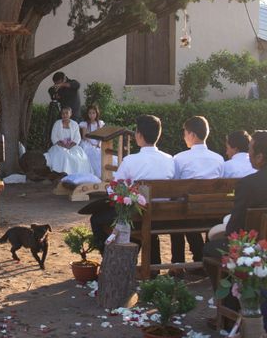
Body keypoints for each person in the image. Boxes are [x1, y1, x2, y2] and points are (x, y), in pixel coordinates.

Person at [89, 115, 175, 265]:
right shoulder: (170, 159)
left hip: (138, 216)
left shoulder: (130, 160)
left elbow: (115, 189)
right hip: (164, 216)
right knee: (140, 217)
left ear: (139, 135)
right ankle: (152, 265)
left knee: (96, 219)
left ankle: (109, 260)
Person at [202, 131, 267, 319]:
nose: (249, 155)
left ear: (260, 157)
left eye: (250, 151)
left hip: (252, 247)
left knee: (211, 249)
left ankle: (229, 311)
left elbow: (234, 230)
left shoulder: (249, 184)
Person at [170, 116, 224, 272]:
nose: (184, 137)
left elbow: (174, 185)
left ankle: (177, 264)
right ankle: (203, 259)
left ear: (192, 135)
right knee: (192, 214)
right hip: (213, 212)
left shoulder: (179, 158)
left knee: (178, 216)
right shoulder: (219, 159)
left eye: (185, 133)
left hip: (186, 213)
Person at [43, 106, 92, 176]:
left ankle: (76, 175)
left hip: (72, 146)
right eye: (63, 113)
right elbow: (53, 137)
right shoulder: (57, 123)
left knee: (78, 157)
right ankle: (62, 174)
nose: (64, 115)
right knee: (64, 155)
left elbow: (77, 138)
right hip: (59, 145)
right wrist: (63, 145)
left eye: (66, 113)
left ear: (70, 114)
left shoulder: (74, 124)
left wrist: (70, 146)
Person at [79, 105, 105, 178]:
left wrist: (99, 143)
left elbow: (101, 136)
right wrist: (92, 143)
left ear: (96, 114)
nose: (92, 115)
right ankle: (93, 173)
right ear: (87, 114)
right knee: (92, 153)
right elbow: (84, 136)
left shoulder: (99, 123)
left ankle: (104, 172)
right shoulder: (85, 124)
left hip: (98, 142)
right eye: (90, 113)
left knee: (101, 153)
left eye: (93, 113)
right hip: (88, 142)